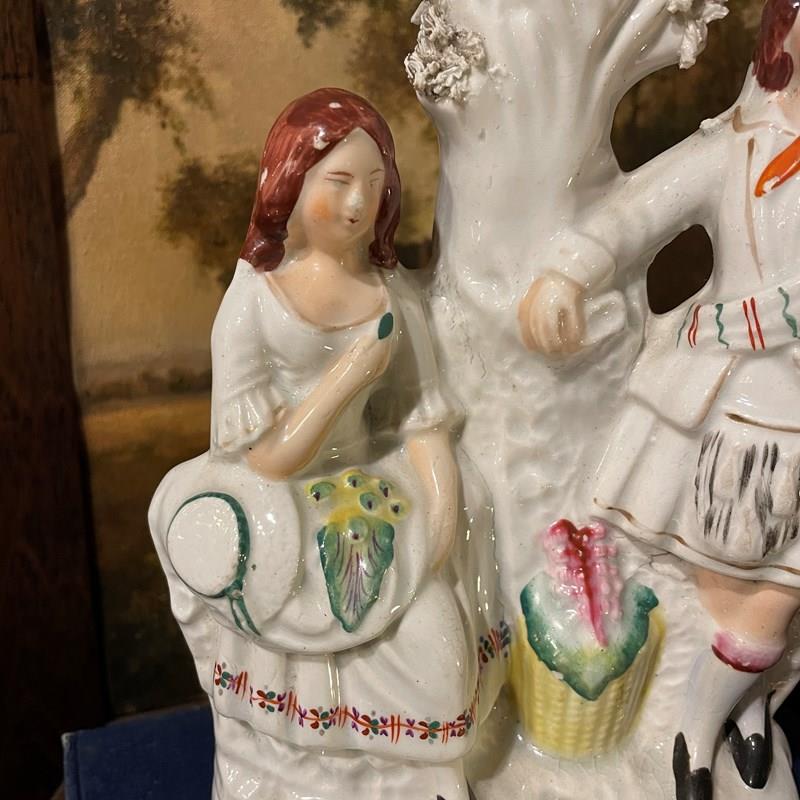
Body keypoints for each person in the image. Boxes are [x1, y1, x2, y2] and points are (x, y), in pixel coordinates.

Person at [149, 88, 505, 800]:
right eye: (338, 182)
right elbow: (263, 459)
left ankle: (411, 777)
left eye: (373, 184)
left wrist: (441, 520)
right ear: (290, 183)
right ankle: (300, 768)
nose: (357, 204)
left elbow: (422, 414)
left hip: (377, 494)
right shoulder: (255, 299)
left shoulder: (392, 294)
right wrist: (349, 376)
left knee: (441, 658)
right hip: (282, 502)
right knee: (298, 607)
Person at [519, 2, 800, 798]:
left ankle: (704, 722)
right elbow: (640, 209)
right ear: (783, 34)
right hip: (744, 410)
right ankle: (721, 717)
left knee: (773, 602)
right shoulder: (735, 148)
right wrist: (569, 270)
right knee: (743, 589)